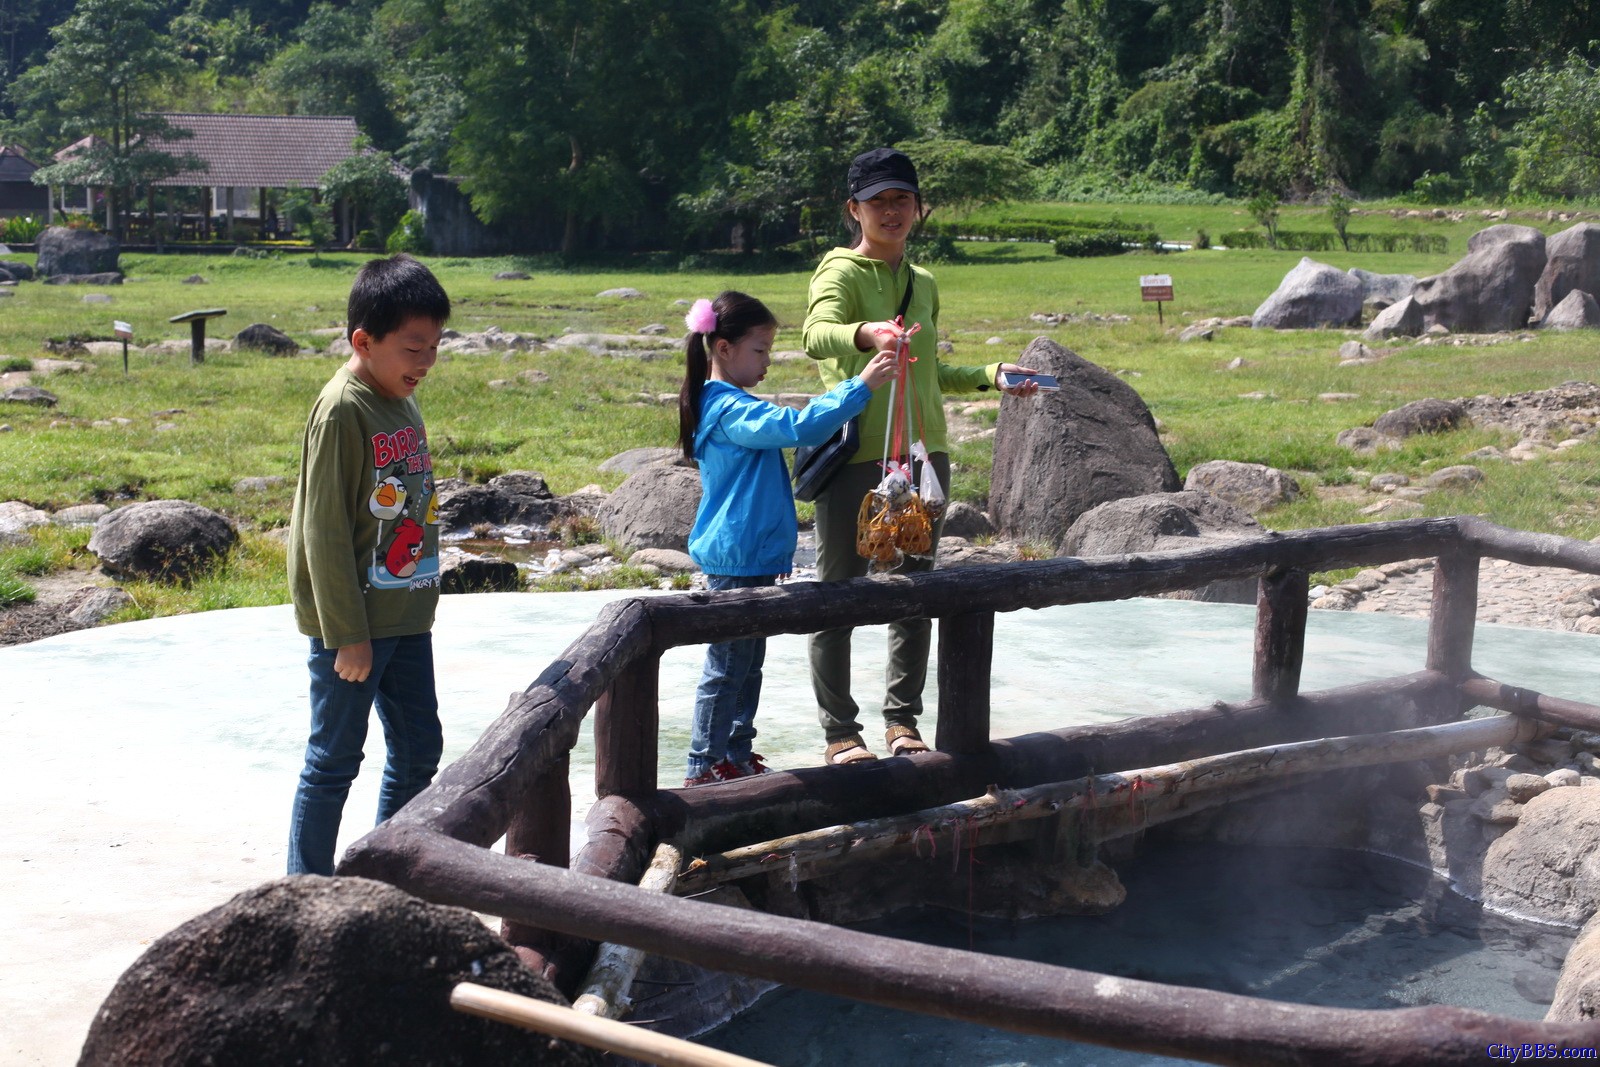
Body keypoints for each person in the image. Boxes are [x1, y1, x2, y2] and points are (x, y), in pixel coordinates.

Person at [803, 146, 1039, 766]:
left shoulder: (924, 282)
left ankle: (901, 723)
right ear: (853, 209)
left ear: (918, 208)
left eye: (901, 200)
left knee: (913, 590)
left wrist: (991, 373)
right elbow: (815, 334)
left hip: (922, 457)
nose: (891, 211)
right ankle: (839, 732)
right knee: (839, 592)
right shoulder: (840, 273)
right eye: (877, 201)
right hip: (856, 453)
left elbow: (929, 372)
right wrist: (866, 334)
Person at [680, 290, 896, 786]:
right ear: (724, 349)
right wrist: (858, 386)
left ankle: (733, 754)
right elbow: (796, 427)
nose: (767, 363)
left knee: (746, 665)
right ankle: (704, 765)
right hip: (735, 558)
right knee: (726, 667)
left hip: (749, 555)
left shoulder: (725, 403)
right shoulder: (728, 410)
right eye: (760, 350)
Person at [286, 253, 452, 875]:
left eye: (435, 346)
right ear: (364, 340)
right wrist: (346, 635)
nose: (427, 362)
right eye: (414, 348)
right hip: (354, 624)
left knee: (418, 751)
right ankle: (304, 889)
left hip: (405, 611)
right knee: (333, 759)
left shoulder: (400, 398)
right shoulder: (342, 410)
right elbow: (322, 533)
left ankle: (383, 878)